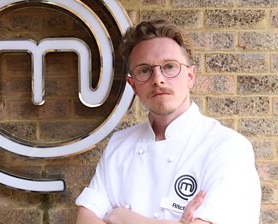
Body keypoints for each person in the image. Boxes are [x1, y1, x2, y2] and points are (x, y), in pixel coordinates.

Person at [75, 19, 261, 224]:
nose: (158, 79)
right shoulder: (119, 144)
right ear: (133, 85)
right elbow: (86, 217)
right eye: (144, 70)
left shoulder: (228, 147)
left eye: (169, 66)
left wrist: (122, 217)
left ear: (190, 76)